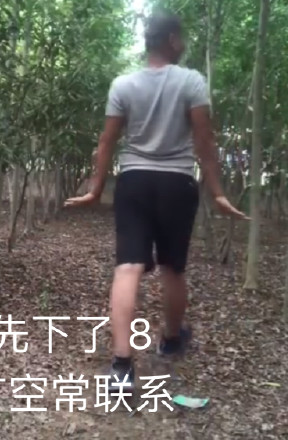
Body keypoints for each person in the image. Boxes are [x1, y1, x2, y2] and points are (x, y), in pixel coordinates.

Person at [64, 12, 249, 392]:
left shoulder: (123, 85)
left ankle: (121, 366)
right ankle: (171, 339)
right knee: (172, 268)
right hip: (177, 183)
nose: (184, 44)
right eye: (182, 38)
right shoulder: (192, 81)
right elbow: (204, 141)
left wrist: (96, 188)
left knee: (127, 267)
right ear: (172, 40)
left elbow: (107, 141)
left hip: (134, 181)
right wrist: (217, 191)